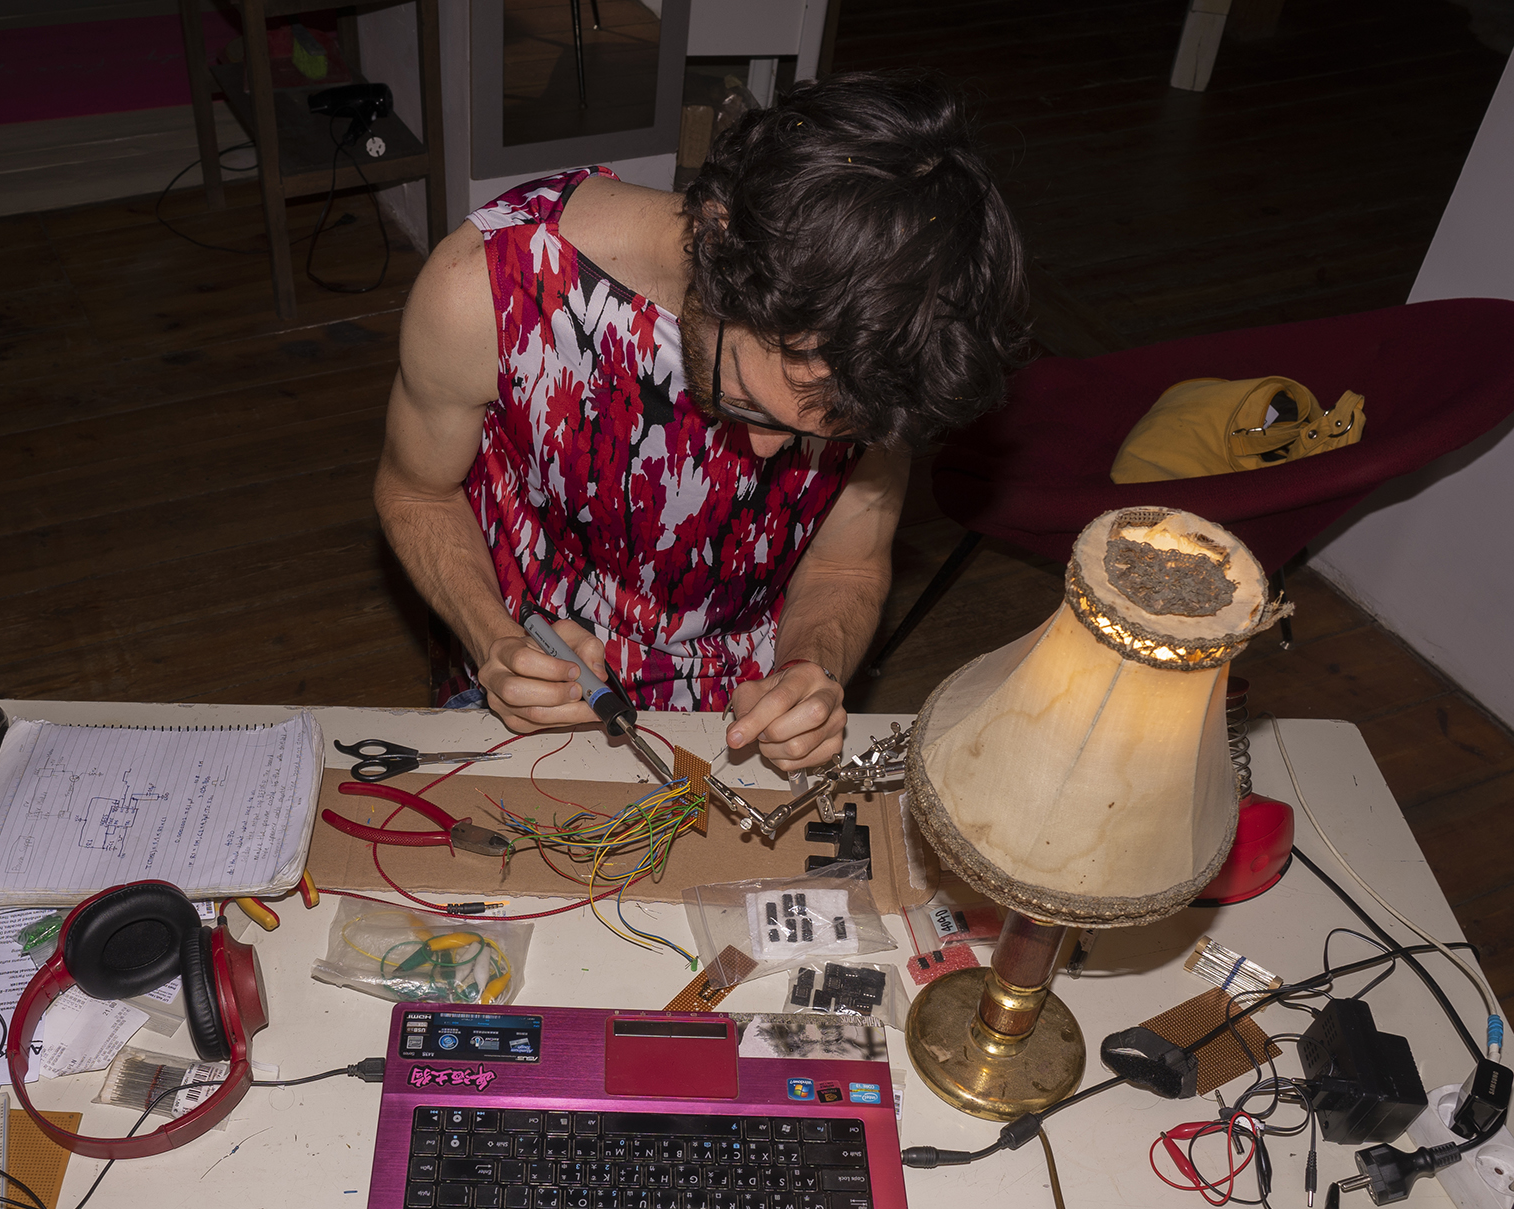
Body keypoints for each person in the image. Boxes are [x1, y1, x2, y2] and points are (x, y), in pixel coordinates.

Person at [373, 70, 1026, 772]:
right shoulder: (487, 286)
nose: (771, 449)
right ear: (717, 234)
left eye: (821, 437)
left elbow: (846, 562)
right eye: (747, 400)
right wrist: (492, 640)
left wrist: (810, 668)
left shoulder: (879, 348)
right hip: (537, 659)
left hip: (741, 701)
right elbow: (416, 492)